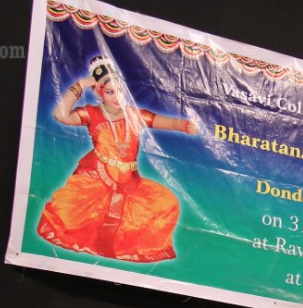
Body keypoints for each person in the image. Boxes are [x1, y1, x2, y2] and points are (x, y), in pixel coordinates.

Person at [37, 56, 198, 262]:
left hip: (130, 182)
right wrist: (81, 84)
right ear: (99, 92)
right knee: (62, 212)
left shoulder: (136, 115)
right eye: (110, 92)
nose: (116, 96)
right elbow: (61, 115)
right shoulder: (92, 113)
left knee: (168, 203)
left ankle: (128, 245)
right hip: (96, 179)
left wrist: (186, 126)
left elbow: (168, 123)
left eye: (120, 91)